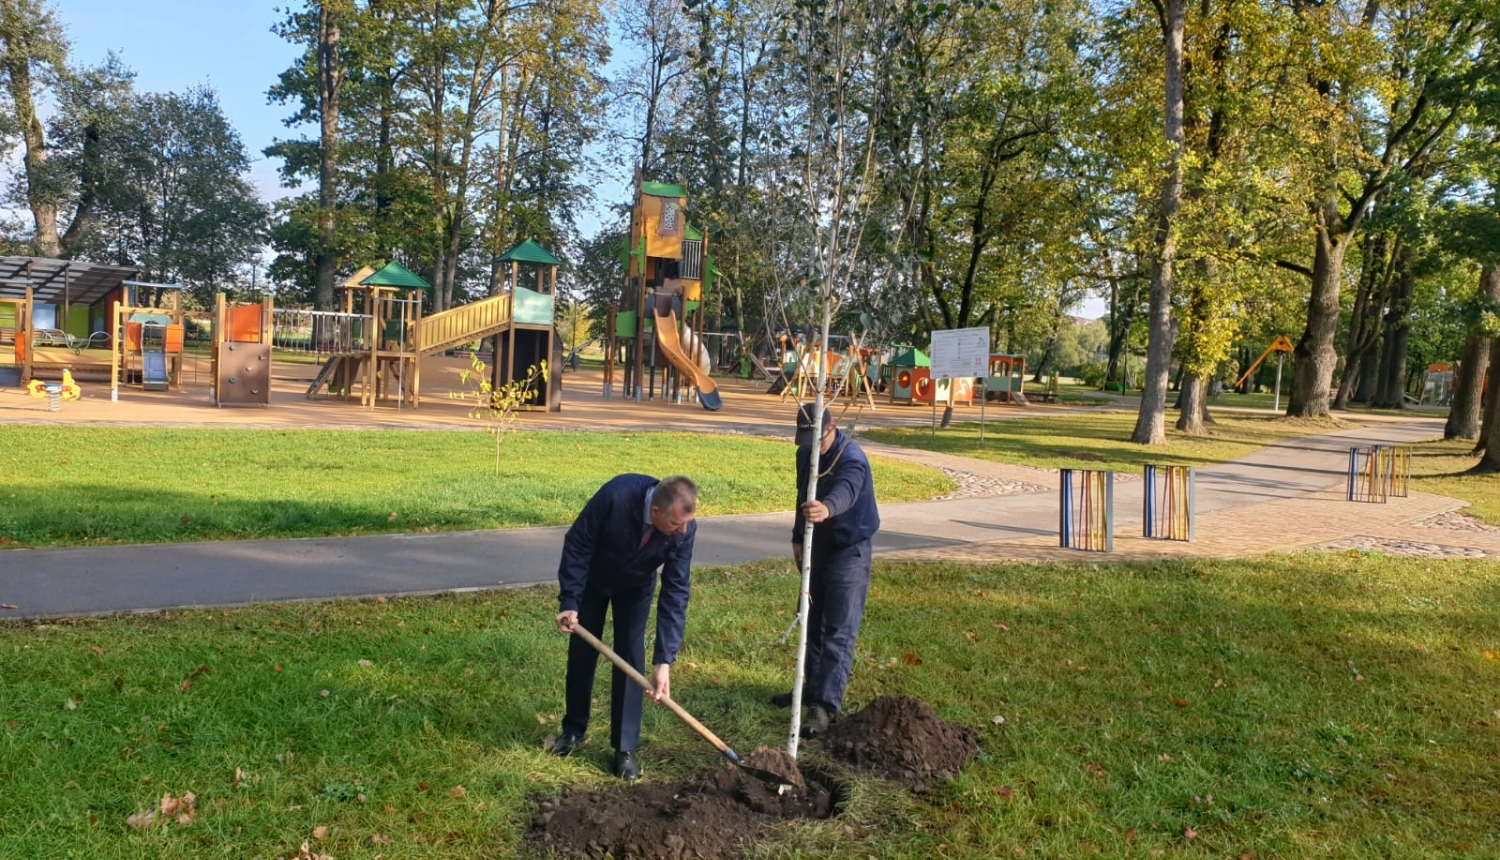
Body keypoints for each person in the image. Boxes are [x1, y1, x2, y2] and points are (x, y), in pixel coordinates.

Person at [552, 474, 698, 782]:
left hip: (636, 585)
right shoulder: (616, 496)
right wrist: (570, 600)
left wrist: (664, 660)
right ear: (655, 512)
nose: (683, 530)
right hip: (594, 579)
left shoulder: (685, 526)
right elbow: (579, 542)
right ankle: (573, 731)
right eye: (675, 524)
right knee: (582, 653)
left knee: (631, 658)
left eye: (687, 523)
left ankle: (624, 747)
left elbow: (676, 589)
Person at [775, 404, 880, 736]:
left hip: (848, 550)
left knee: (838, 629)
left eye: (816, 438)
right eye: (805, 439)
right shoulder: (805, 454)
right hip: (814, 546)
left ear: (832, 426)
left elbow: (846, 491)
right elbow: (801, 496)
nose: (811, 446)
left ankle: (825, 707)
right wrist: (796, 537)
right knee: (810, 620)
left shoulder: (851, 459)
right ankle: (810, 689)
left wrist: (827, 508)